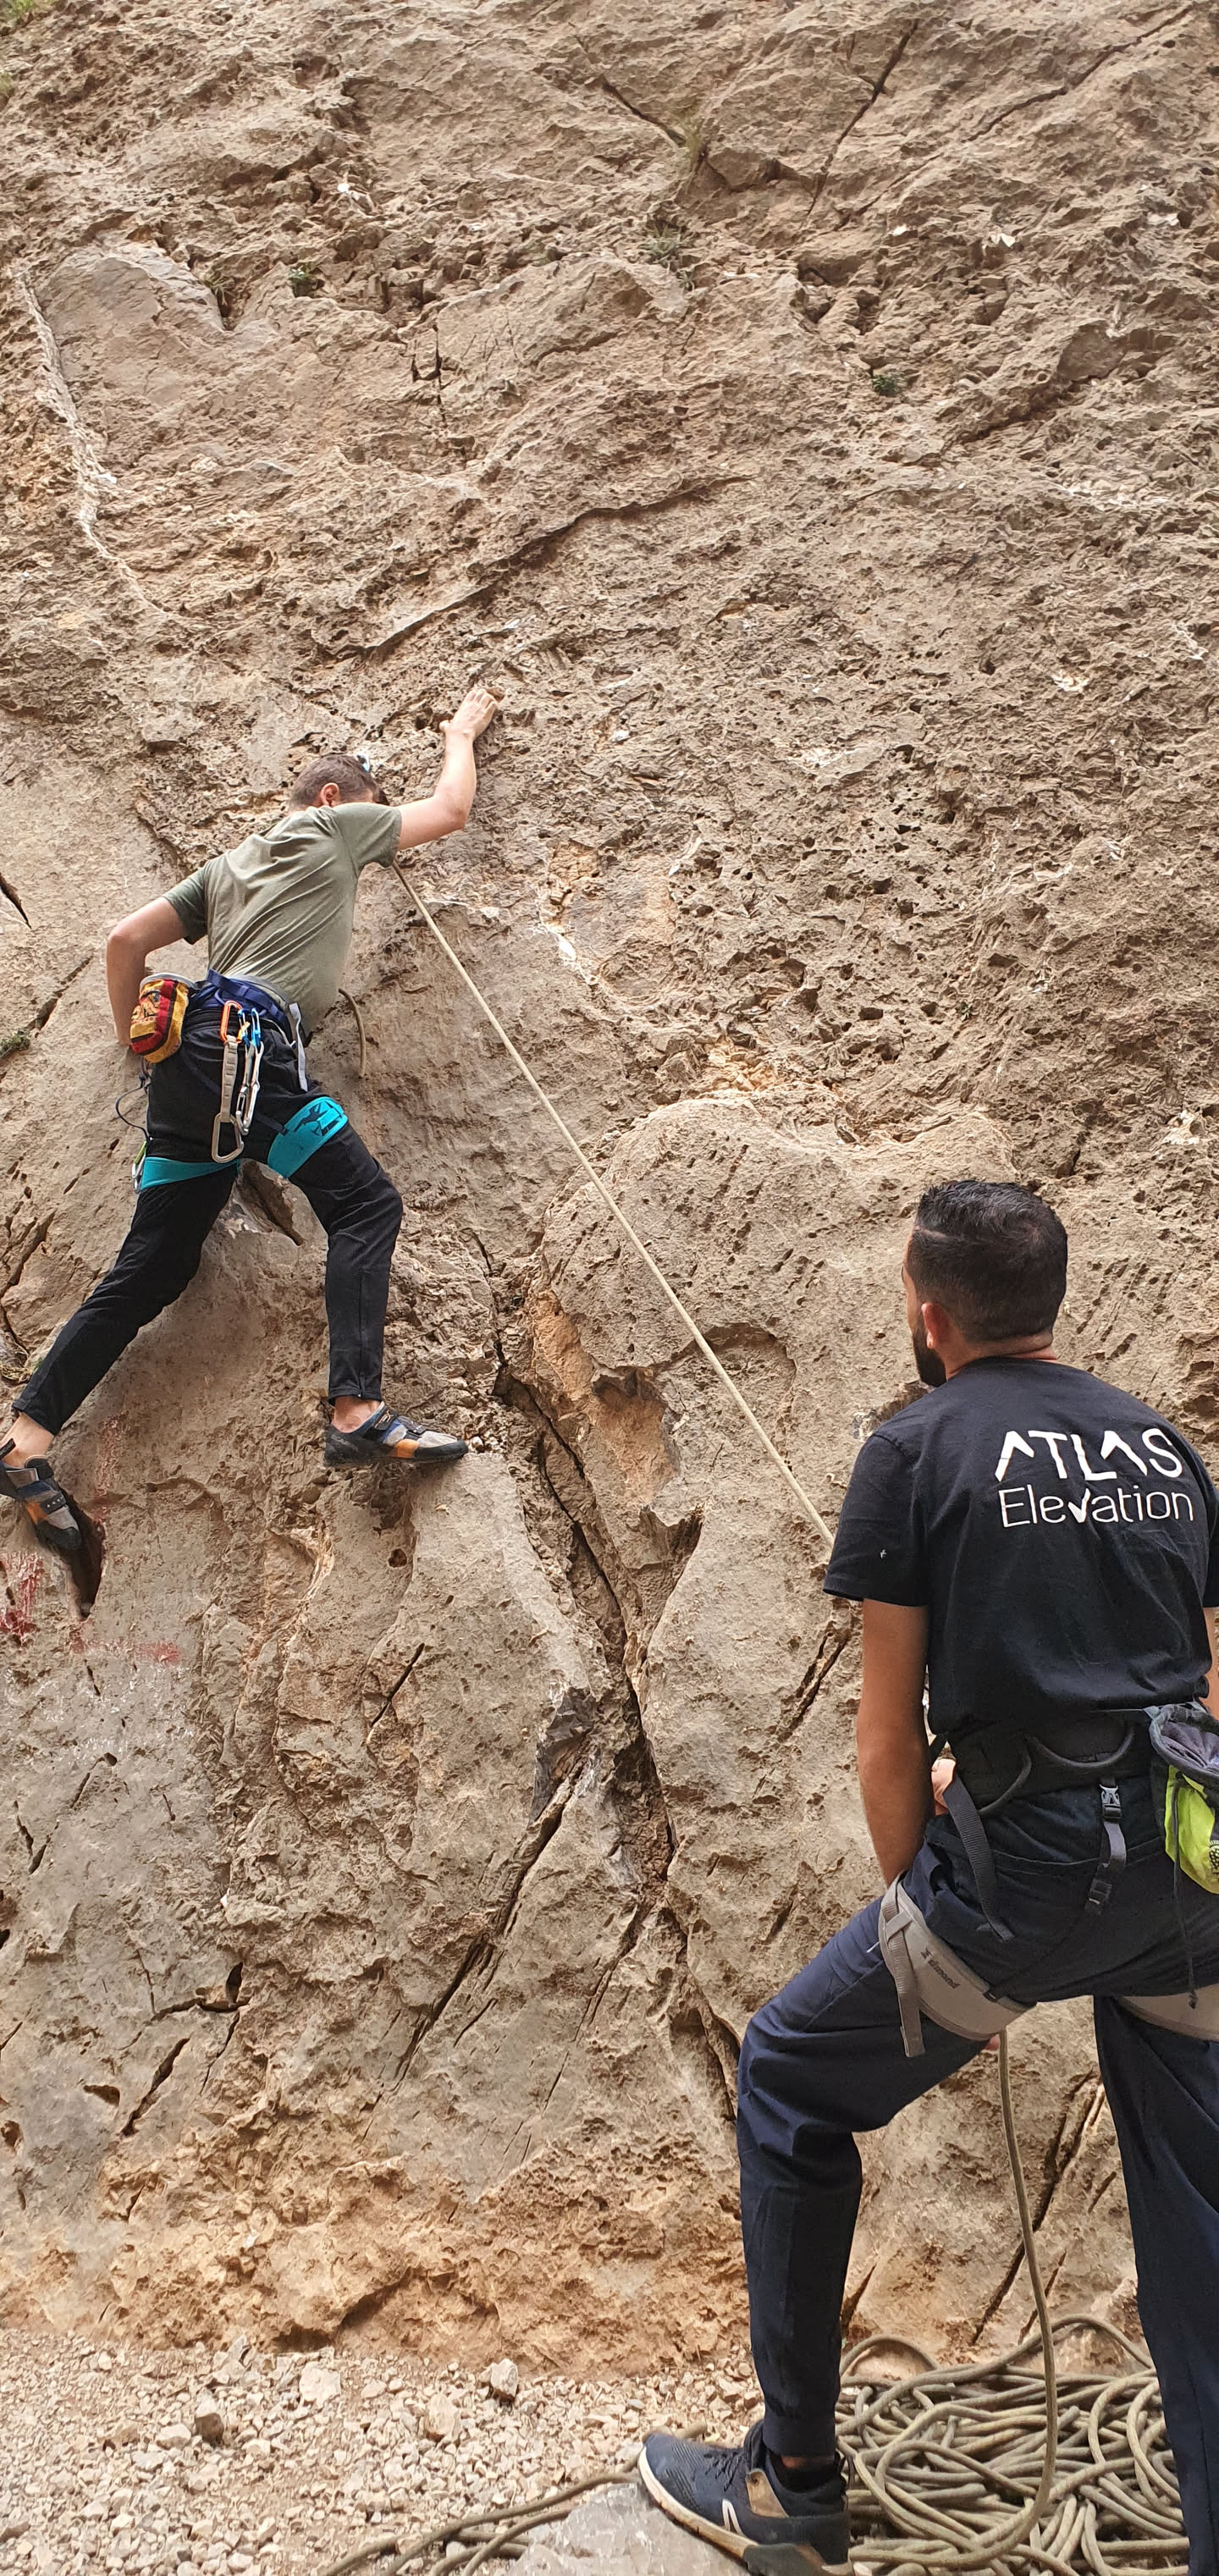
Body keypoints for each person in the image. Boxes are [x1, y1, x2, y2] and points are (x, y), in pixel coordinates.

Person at [640, 1180, 1219, 2576]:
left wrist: (934, 1920)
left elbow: (887, 1735)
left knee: (791, 2075)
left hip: (1023, 1884)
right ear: (1053, 1298)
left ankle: (793, 2483)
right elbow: (1207, 1691)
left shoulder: (912, 1450)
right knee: (1200, 2204)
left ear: (927, 1308)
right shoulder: (1162, 1444)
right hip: (1185, 1886)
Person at [0, 685, 500, 1553]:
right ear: (335, 799)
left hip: (188, 1065)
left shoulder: (227, 867)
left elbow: (125, 941)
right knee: (365, 1205)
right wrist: (460, 733)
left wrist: (135, 1044)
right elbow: (451, 810)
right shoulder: (332, 828)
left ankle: (23, 1439)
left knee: (154, 1265)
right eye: (371, 816)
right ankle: (356, 1411)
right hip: (248, 1052)